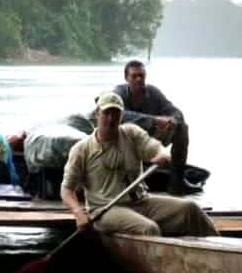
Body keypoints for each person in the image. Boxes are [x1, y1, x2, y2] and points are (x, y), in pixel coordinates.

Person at [60, 91, 219, 237]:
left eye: (116, 113)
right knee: (149, 229)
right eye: (106, 113)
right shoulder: (82, 149)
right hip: (106, 210)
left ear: (121, 115)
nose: (111, 118)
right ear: (97, 114)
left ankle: (221, 247)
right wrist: (77, 212)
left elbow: (156, 149)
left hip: (141, 202)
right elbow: (67, 189)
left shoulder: (131, 133)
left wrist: (161, 156)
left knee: (191, 209)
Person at [113, 60, 199, 195]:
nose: (138, 79)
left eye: (141, 75)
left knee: (182, 128)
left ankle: (177, 182)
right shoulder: (118, 93)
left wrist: (172, 120)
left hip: (149, 140)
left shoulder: (153, 92)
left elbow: (174, 110)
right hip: (126, 141)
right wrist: (153, 120)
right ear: (126, 78)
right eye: (134, 76)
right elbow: (121, 115)